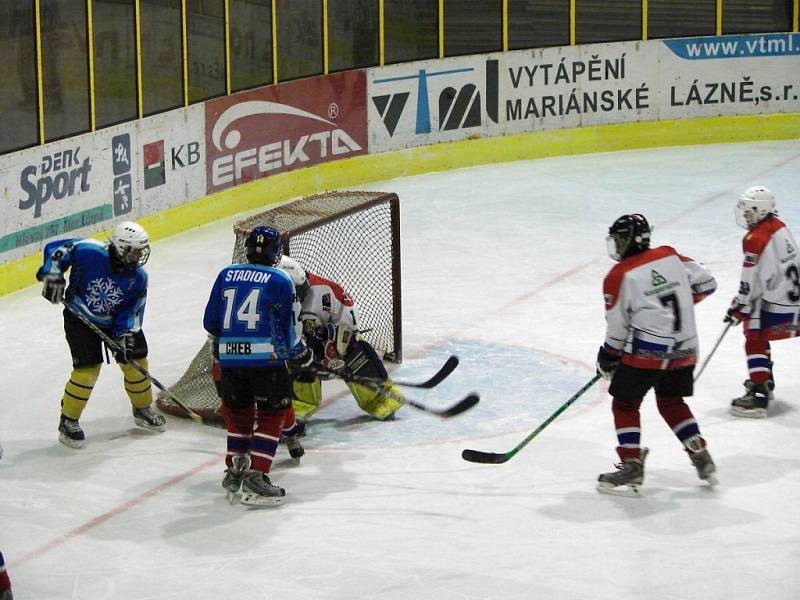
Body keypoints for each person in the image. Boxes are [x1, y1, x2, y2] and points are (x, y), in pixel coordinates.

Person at [595, 213, 718, 496]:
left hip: (648, 352)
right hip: (685, 347)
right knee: (671, 401)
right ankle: (700, 453)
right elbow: (707, 283)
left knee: (625, 404)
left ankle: (631, 465)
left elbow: (617, 327)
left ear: (631, 240)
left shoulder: (618, 276)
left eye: (620, 239)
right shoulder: (669, 255)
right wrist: (680, 306)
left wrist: (609, 355)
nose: (617, 245)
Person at [203, 226, 312, 506]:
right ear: (277, 253)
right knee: (271, 415)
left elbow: (210, 323)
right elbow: (286, 332)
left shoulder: (226, 274)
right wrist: (301, 353)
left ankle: (235, 469)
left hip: (229, 361)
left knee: (239, 416)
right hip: (265, 362)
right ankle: (257, 477)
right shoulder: (280, 280)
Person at [36, 221, 166, 448]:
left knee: (137, 362)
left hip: (115, 321)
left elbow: (132, 310)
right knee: (87, 371)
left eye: (141, 250)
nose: (139, 255)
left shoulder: (139, 278)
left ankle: (143, 408)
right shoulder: (88, 251)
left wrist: (124, 335)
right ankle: (68, 421)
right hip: (79, 316)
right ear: (121, 247)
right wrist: (53, 275)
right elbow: (56, 251)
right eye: (135, 250)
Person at [278, 255, 405, 424]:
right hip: (296, 349)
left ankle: (379, 398)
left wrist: (334, 349)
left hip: (326, 344)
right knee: (291, 358)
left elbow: (348, 327)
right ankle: (297, 405)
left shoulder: (326, 291)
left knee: (356, 349)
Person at [725, 186, 800, 418]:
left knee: (753, 337)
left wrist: (739, 307)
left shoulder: (754, 238)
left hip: (777, 301)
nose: (746, 216)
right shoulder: (779, 225)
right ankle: (765, 380)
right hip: (794, 296)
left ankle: (759, 393)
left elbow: (751, 279)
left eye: (749, 211)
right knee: (755, 330)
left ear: (761, 210)